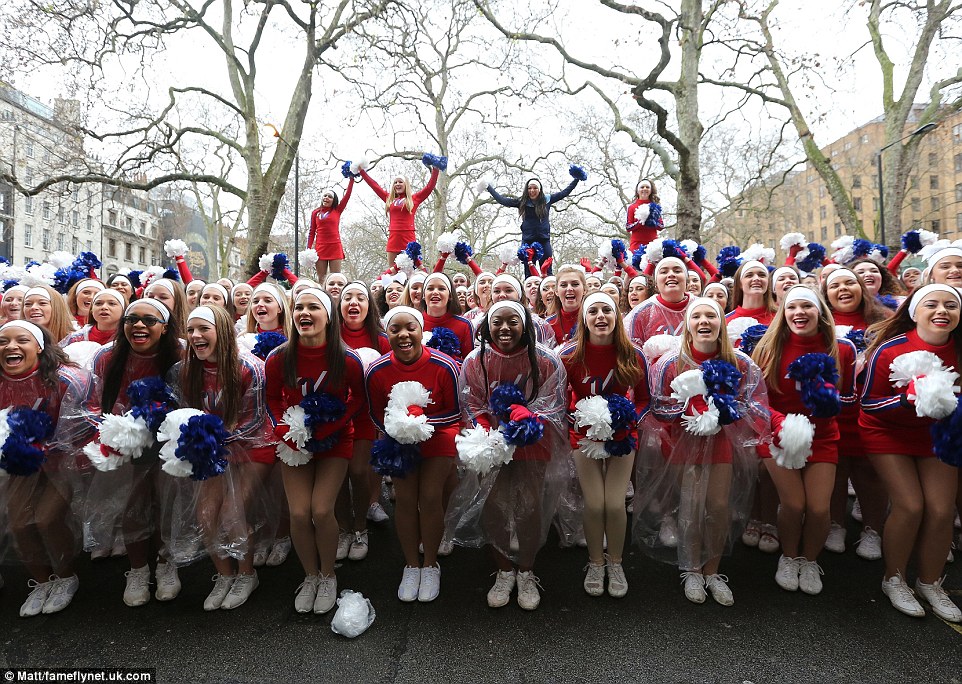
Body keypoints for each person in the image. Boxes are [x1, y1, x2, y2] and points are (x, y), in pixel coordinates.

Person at [637, 298, 768, 605]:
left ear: (721, 324)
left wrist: (721, 411)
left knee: (718, 506)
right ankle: (691, 568)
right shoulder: (671, 362)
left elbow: (756, 404)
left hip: (721, 441)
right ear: (689, 324)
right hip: (683, 442)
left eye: (712, 315)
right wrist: (690, 407)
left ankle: (713, 570)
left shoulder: (740, 362)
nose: (704, 321)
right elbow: (657, 406)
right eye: (697, 316)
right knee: (691, 506)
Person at [449, 300, 568, 609]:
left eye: (513, 321)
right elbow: (471, 402)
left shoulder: (546, 360)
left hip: (533, 440)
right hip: (490, 444)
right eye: (497, 322)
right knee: (494, 505)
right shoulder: (476, 360)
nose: (504, 328)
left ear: (525, 326)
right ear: (486, 327)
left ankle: (526, 571)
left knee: (529, 506)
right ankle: (503, 570)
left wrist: (523, 419)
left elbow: (554, 403)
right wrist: (489, 430)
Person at [861, 284, 962, 622]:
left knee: (941, 509)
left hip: (936, 435)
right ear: (914, 312)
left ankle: (931, 582)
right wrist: (908, 398)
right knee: (910, 504)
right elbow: (869, 404)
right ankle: (895, 577)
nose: (942, 311)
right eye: (932, 304)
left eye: (951, 305)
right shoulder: (890, 349)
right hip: (887, 432)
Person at [265, 288, 366, 614]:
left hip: (336, 441)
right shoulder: (280, 356)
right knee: (298, 512)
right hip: (294, 441)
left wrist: (334, 425)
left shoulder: (346, 357)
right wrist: (283, 427)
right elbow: (271, 398)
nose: (304, 313)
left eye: (313, 307)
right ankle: (310, 575)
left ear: (328, 316)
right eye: (299, 308)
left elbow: (358, 399)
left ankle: (328, 575)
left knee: (322, 510)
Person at [170, 306, 277, 610]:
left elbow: (257, 419)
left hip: (253, 446)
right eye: (190, 330)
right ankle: (224, 575)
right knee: (205, 514)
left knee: (232, 511)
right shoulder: (188, 369)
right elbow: (187, 411)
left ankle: (246, 574)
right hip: (213, 448)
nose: (195, 336)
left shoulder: (250, 367)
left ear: (223, 330)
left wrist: (215, 436)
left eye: (203, 329)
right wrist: (197, 438)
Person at [751, 286, 856, 595]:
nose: (799, 312)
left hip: (822, 437)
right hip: (777, 435)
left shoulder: (842, 349)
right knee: (794, 504)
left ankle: (809, 560)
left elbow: (851, 396)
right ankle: (789, 556)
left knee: (820, 509)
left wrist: (830, 400)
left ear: (820, 312)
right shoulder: (769, 348)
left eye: (807, 306)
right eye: (792, 307)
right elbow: (755, 400)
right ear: (783, 313)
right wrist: (780, 422)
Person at [85, 298, 184, 606]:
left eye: (149, 320)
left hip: (169, 441)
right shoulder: (107, 357)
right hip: (127, 441)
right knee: (135, 503)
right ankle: (139, 568)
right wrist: (119, 428)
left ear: (165, 327)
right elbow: (92, 402)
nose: (139, 325)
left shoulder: (181, 354)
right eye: (131, 319)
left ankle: (167, 563)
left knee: (165, 503)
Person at [365, 306, 461, 603]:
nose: (403, 335)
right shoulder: (376, 370)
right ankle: (411, 564)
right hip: (398, 441)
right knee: (405, 499)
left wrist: (423, 423)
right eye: (395, 329)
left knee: (430, 496)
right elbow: (374, 414)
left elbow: (458, 412)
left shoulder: (445, 366)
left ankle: (430, 563)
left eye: (410, 328)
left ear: (422, 332)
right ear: (387, 334)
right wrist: (399, 427)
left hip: (439, 437)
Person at [558, 292, 648, 597]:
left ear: (617, 316)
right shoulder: (569, 355)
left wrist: (628, 419)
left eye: (606, 310)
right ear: (584, 318)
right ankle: (596, 562)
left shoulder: (633, 353)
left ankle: (616, 562)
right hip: (583, 435)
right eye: (593, 310)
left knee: (614, 503)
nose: (600, 316)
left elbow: (646, 398)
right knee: (595, 503)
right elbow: (558, 401)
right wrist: (575, 419)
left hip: (623, 435)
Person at [1, 321, 92, 617]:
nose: (11, 346)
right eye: (3, 341)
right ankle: (41, 581)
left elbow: (83, 423)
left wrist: (45, 446)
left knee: (47, 520)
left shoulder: (65, 379)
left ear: (39, 347)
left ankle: (66, 577)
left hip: (60, 464)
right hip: (17, 466)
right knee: (19, 524)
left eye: (21, 340)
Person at [820, 268, 891, 559]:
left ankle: (873, 530)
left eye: (850, 282)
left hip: (872, 410)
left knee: (870, 471)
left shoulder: (885, 322)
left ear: (862, 287)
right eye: (835, 285)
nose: (843, 289)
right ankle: (836, 523)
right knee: (835, 471)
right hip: (834, 411)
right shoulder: (819, 323)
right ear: (825, 294)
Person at [336, 281, 391, 561]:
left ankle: (360, 529)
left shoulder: (381, 339)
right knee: (338, 475)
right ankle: (344, 529)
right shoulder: (330, 335)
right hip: (336, 414)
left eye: (361, 297)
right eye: (348, 298)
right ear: (339, 305)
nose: (354, 302)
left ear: (370, 305)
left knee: (358, 471)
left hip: (366, 414)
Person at [483, 168, 585, 270]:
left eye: (535, 188)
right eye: (529, 188)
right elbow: (503, 200)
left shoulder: (547, 200)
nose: (532, 191)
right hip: (527, 242)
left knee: (547, 270)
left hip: (544, 240)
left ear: (539, 189)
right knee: (529, 273)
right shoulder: (522, 202)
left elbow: (564, 193)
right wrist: (488, 187)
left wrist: (576, 179)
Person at [358, 159, 440, 265]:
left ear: (406, 185)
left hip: (408, 238)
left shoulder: (414, 199)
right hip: (393, 238)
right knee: (392, 272)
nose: (397, 184)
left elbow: (429, 187)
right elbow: (375, 186)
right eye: (395, 182)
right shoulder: (389, 198)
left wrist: (435, 170)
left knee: (412, 271)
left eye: (400, 182)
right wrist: (362, 172)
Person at [625, 257, 692, 347]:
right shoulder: (641, 313)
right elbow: (633, 354)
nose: (671, 274)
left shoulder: (701, 307)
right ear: (656, 283)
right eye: (664, 272)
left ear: (687, 280)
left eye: (677, 271)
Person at [421, 273, 474, 362]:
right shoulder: (413, 322)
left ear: (450, 295)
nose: (435, 292)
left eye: (441, 289)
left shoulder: (464, 325)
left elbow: (469, 364)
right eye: (430, 288)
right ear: (423, 295)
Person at [308, 180, 354, 280]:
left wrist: (351, 179)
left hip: (335, 247)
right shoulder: (315, 213)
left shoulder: (337, 210)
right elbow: (312, 231)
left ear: (334, 200)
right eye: (325, 196)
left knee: (335, 278)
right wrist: (309, 248)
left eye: (330, 196)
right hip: (320, 248)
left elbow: (347, 195)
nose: (326, 198)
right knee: (322, 278)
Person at [61, 288, 127, 348]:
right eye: (98, 303)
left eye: (111, 303)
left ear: (123, 309)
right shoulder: (76, 338)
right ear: (91, 310)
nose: (104, 307)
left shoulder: (128, 338)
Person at [545, 265, 586, 346]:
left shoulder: (592, 320)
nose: (569, 289)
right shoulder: (548, 324)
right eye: (563, 285)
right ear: (556, 291)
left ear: (584, 290)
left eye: (575, 284)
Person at [727, 261, 777, 325]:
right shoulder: (726, 321)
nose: (756, 279)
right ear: (740, 284)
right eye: (749, 275)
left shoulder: (780, 318)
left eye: (762, 275)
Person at [625, 178, 664, 252]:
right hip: (636, 245)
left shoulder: (655, 207)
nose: (645, 189)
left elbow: (661, 226)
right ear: (638, 190)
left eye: (647, 187)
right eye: (642, 187)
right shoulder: (632, 207)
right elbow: (628, 227)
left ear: (651, 190)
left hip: (652, 244)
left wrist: (652, 222)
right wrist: (640, 222)